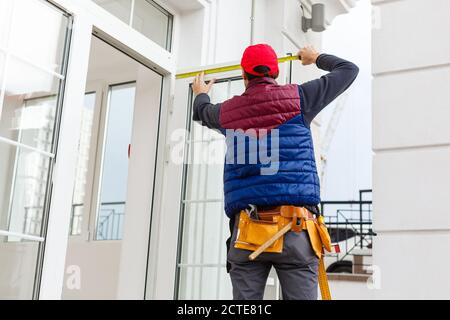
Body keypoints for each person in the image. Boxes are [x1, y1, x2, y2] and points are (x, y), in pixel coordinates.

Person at [192, 44, 359, 300]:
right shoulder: (301, 98)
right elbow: (348, 70)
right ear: (277, 71)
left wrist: (201, 93)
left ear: (244, 75)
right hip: (296, 229)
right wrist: (315, 58)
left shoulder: (228, 112)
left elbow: (203, 112)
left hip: (247, 232)